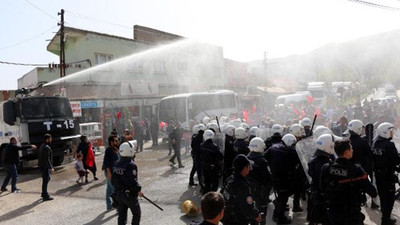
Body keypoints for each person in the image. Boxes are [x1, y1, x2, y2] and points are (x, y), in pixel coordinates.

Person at [320, 139, 377, 225]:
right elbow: (372, 192)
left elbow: (322, 188)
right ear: (347, 152)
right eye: (351, 149)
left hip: (333, 211)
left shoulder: (326, 168)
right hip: (351, 213)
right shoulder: (356, 169)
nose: (352, 150)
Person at [265, 134, 297, 224]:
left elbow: (265, 157)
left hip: (274, 177)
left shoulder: (273, 147)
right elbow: (296, 163)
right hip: (284, 178)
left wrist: (272, 167)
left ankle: (276, 214)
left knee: (281, 196)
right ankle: (280, 219)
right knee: (283, 199)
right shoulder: (290, 150)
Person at [372, 122, 400, 225]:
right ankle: (385, 220)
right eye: (390, 131)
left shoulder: (375, 142)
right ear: (385, 132)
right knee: (390, 198)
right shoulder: (389, 144)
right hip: (388, 176)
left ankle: (385, 217)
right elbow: (396, 160)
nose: (392, 133)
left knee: (383, 196)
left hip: (378, 175)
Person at [346, 120, 378, 208]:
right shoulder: (362, 142)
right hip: (363, 168)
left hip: (350, 169)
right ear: (358, 129)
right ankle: (373, 202)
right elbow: (371, 155)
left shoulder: (347, 141)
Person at [222, 154, 261, 225]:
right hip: (237, 220)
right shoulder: (241, 186)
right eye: (248, 166)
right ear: (244, 168)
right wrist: (256, 214)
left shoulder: (229, 179)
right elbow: (247, 206)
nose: (249, 168)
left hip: (227, 217)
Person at [307, 134, 336, 224]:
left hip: (315, 191)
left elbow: (310, 173)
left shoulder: (313, 160)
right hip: (325, 194)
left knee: (314, 215)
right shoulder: (327, 164)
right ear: (329, 146)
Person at [112, 141, 143, 225]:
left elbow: (113, 181)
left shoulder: (115, 164)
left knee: (121, 216)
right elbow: (133, 181)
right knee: (136, 214)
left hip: (119, 195)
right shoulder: (131, 165)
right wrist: (138, 189)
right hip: (129, 195)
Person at [247, 137, 269, 220]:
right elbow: (267, 177)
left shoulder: (246, 158)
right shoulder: (262, 161)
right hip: (260, 190)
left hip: (249, 189)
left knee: (251, 209)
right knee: (261, 210)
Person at [102, 135, 120, 210]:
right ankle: (118, 208)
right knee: (114, 190)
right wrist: (109, 172)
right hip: (109, 172)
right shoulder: (109, 150)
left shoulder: (116, 149)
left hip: (114, 172)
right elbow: (106, 162)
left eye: (117, 140)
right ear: (111, 142)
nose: (117, 142)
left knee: (109, 189)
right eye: (115, 141)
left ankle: (109, 206)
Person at [38, 134, 54, 201]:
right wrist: (50, 167)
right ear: (47, 139)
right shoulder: (46, 147)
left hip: (41, 166)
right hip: (45, 166)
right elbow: (47, 158)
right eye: (50, 138)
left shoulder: (42, 146)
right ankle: (45, 195)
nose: (51, 140)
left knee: (46, 179)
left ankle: (43, 193)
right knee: (45, 180)